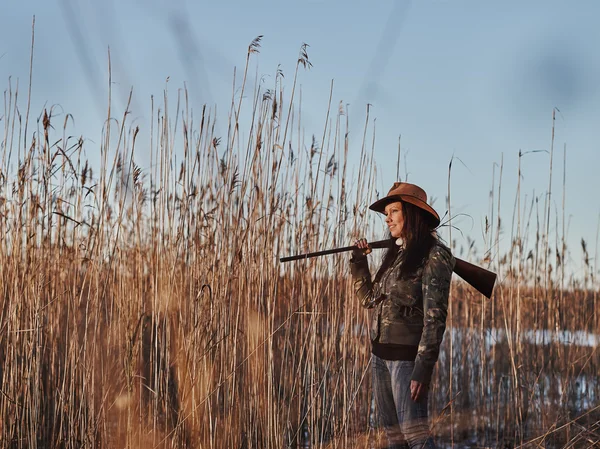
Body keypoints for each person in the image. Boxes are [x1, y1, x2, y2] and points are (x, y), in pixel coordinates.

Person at [350, 181, 454, 449]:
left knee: (417, 439)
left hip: (406, 361)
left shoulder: (435, 256)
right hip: (380, 357)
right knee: (395, 439)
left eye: (393, 211)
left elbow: (435, 318)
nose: (387, 218)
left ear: (412, 213)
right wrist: (359, 262)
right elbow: (369, 300)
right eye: (386, 213)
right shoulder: (397, 254)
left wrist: (423, 367)